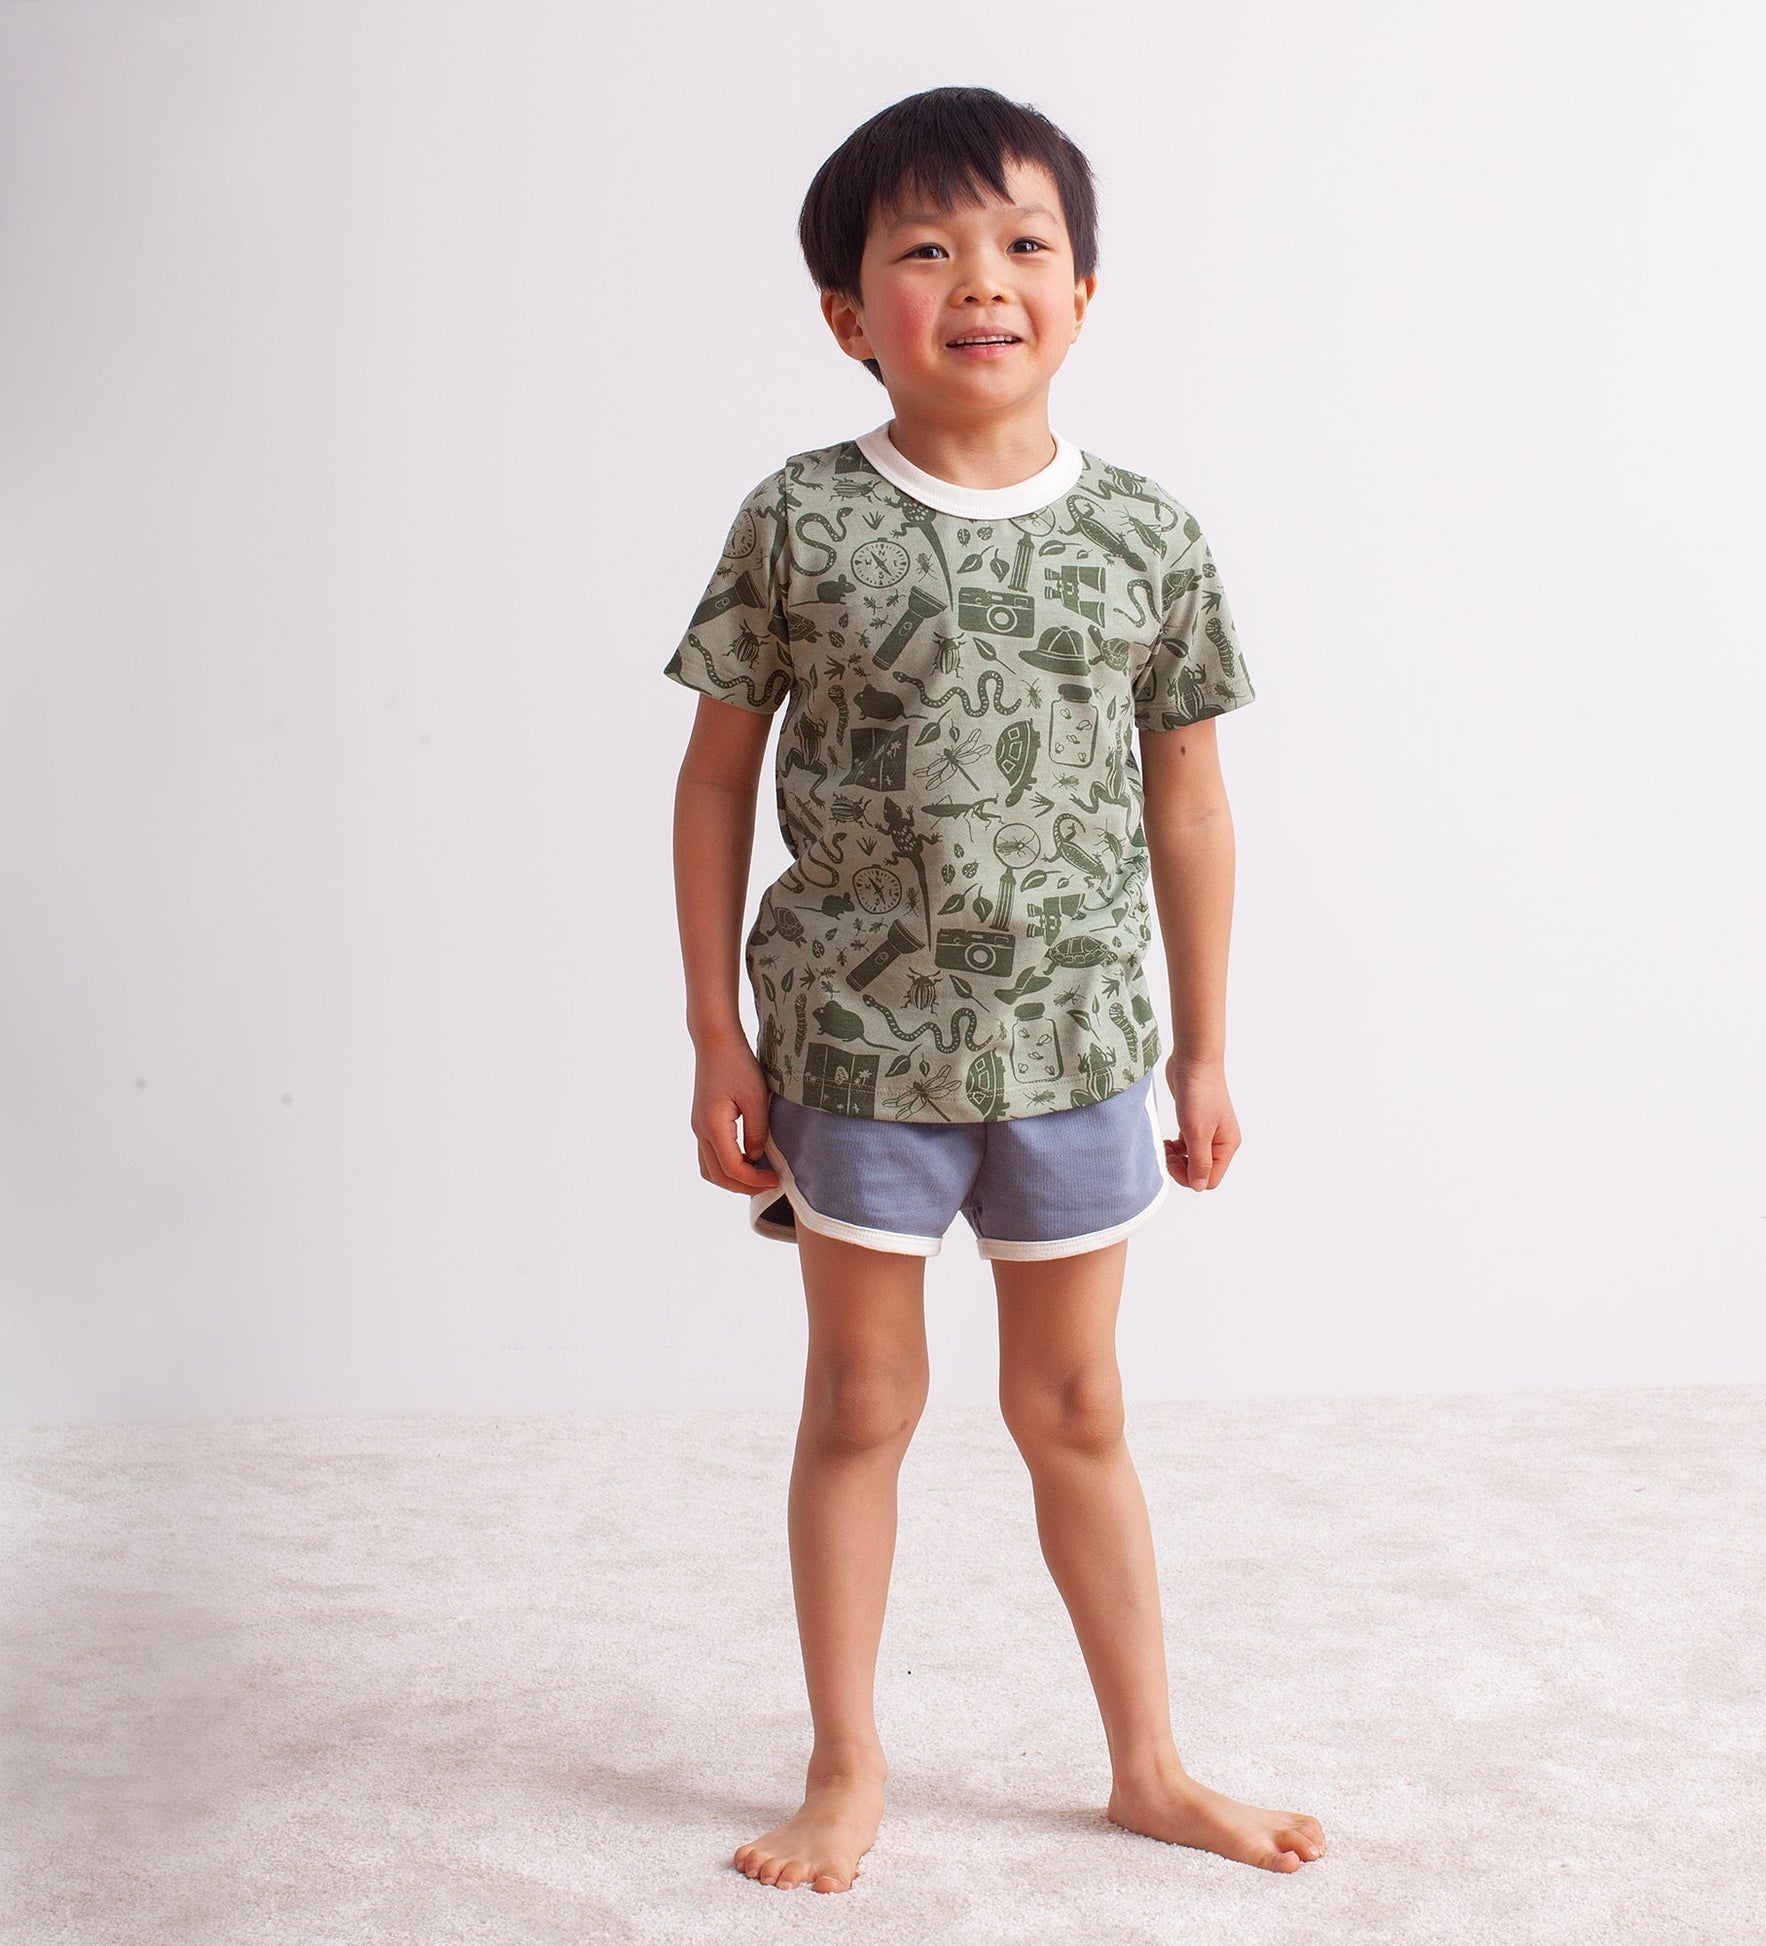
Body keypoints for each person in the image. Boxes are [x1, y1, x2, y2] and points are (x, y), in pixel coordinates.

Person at [665, 84, 1326, 1894]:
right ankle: (844, 1767)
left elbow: (1190, 805)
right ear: (846, 313)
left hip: (1077, 1046)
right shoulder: (799, 520)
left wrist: (1204, 1049)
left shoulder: (1146, 534)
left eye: (1024, 242)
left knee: (1074, 1407)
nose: (980, 279)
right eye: (926, 249)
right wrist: (717, 1032)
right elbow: (714, 779)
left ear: (1082, 292)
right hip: (855, 1047)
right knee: (860, 1401)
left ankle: (1149, 1765)